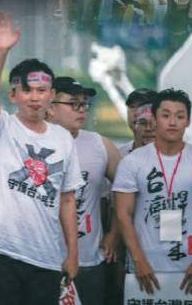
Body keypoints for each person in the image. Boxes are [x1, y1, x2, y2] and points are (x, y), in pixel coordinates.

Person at [0, 12, 83, 304]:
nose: (34, 97)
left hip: (46, 259)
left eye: (41, 90)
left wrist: (72, 253)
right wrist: (1, 52)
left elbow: (67, 200)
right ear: (13, 95)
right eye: (27, 90)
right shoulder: (2, 127)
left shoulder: (63, 139)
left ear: (52, 95)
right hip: (0, 254)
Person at [113, 89, 192, 298]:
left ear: (188, 121)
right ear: (154, 119)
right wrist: (138, 260)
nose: (172, 122)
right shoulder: (132, 162)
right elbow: (122, 214)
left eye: (180, 116)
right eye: (165, 115)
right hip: (145, 266)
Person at [47, 77, 121, 305]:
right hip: (44, 260)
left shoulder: (101, 145)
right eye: (73, 104)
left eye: (84, 104)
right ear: (50, 106)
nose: (82, 110)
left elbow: (127, 190)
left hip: (89, 260)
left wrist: (114, 234)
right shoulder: (35, 143)